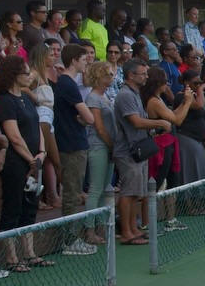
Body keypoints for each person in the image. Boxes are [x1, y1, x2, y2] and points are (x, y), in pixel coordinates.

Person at [0, 56, 52, 274]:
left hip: (35, 160)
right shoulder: (5, 101)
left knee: (30, 206)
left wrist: (42, 152)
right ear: (13, 75)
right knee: (13, 206)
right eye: (26, 73)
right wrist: (31, 160)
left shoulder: (26, 98)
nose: (29, 76)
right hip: (16, 162)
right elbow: (14, 136)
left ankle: (30, 252)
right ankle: (12, 257)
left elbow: (37, 127)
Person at [113, 59, 166, 244]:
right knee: (128, 192)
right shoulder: (125, 95)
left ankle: (133, 228)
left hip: (138, 149)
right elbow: (136, 121)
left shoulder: (135, 94)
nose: (146, 77)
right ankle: (126, 232)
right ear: (130, 75)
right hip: (128, 151)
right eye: (142, 74)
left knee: (136, 193)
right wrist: (159, 122)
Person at [54, 44, 97, 255]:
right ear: (73, 60)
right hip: (71, 145)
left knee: (74, 191)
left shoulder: (65, 83)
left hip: (74, 142)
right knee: (72, 193)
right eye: (83, 58)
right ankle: (69, 241)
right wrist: (83, 118)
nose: (86, 61)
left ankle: (71, 238)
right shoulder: (67, 84)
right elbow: (89, 117)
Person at [143, 67, 192, 232]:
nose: (168, 84)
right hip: (161, 146)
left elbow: (172, 116)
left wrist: (184, 103)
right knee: (156, 183)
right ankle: (148, 224)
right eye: (165, 81)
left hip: (168, 143)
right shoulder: (154, 101)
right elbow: (177, 120)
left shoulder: (158, 99)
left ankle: (171, 219)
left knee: (172, 181)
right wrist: (188, 102)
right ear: (157, 83)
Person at [29, 45, 62, 211]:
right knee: (44, 159)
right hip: (42, 116)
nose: (53, 57)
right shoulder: (34, 73)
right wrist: (35, 98)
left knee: (53, 160)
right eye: (50, 55)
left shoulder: (44, 74)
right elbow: (21, 87)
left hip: (49, 117)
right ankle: (35, 197)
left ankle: (51, 195)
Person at [82, 62, 116, 215]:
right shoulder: (93, 98)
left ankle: (101, 223)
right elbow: (99, 127)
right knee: (96, 188)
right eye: (109, 74)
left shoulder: (104, 96)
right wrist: (111, 145)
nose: (112, 77)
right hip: (98, 145)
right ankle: (90, 225)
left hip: (107, 145)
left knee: (105, 188)